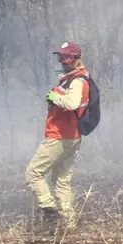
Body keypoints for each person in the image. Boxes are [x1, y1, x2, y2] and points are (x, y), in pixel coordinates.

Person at [25, 42, 91, 225]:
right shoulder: (75, 78)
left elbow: (71, 103)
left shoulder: (77, 80)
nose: (62, 61)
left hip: (60, 136)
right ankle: (69, 223)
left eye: (65, 57)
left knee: (33, 173)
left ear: (75, 58)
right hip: (72, 136)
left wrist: (54, 97)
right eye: (60, 57)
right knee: (61, 180)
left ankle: (49, 210)